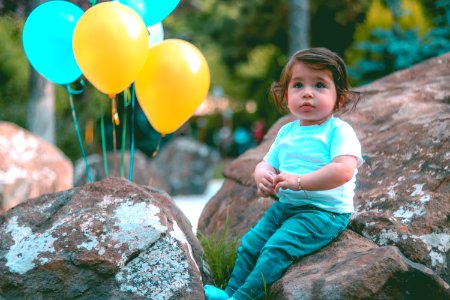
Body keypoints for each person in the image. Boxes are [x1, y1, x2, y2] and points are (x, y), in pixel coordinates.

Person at [204, 47, 363, 300]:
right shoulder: (287, 132)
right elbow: (266, 163)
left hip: (324, 213)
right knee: (250, 245)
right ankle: (230, 292)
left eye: (320, 85)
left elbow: (343, 170)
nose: (308, 93)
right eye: (298, 85)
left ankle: (242, 298)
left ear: (340, 98)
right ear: (285, 95)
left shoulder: (337, 131)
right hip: (286, 208)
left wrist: (299, 182)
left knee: (275, 249)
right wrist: (262, 176)